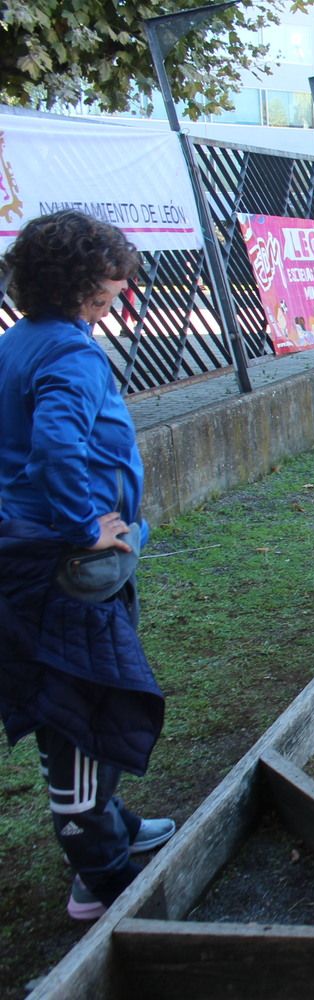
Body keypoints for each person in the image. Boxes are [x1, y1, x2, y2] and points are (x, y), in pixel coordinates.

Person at [0, 210, 176, 921]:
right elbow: (56, 445)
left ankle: (116, 827)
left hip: (28, 552)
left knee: (89, 696)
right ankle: (99, 876)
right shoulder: (70, 353)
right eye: (111, 279)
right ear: (82, 284)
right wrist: (85, 527)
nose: (119, 290)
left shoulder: (22, 341)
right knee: (81, 703)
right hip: (60, 568)